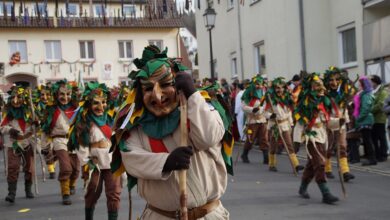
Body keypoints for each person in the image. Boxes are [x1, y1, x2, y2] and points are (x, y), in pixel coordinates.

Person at [115, 45, 229, 219]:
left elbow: (209, 137)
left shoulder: (201, 107)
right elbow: (131, 160)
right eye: (148, 88)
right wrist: (166, 161)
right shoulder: (134, 125)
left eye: (166, 84)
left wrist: (193, 95)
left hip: (209, 215)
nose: (158, 96)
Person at [68, 82, 121, 220]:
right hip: (95, 164)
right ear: (89, 104)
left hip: (111, 163)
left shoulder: (111, 119)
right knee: (93, 192)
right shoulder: (84, 122)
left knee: (114, 193)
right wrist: (88, 161)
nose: (100, 107)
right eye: (96, 103)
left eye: (103, 102)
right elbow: (81, 145)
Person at [294, 73, 339, 204]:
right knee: (319, 164)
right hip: (310, 137)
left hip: (322, 135)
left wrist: (339, 122)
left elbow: (327, 121)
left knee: (311, 165)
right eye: (317, 84)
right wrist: (297, 141)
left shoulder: (323, 102)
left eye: (321, 84)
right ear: (311, 86)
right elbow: (299, 123)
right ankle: (326, 193)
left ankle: (302, 188)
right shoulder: (305, 103)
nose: (321, 87)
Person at [41, 80, 80, 205]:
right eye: (62, 94)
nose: (65, 97)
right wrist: (45, 146)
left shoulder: (76, 109)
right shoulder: (52, 110)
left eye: (68, 94)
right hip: (59, 140)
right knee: (66, 167)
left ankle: (72, 184)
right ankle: (65, 193)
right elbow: (45, 130)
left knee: (76, 169)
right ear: (57, 95)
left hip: (74, 140)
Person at [1, 86, 35, 203]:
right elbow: (2, 127)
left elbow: (38, 125)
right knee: (13, 167)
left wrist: (37, 123)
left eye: (18, 97)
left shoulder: (30, 111)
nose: (16, 100)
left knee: (29, 168)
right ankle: (11, 193)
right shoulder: (8, 113)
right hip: (13, 143)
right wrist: (9, 130)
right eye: (13, 97)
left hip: (28, 142)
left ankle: (28, 189)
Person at [264, 77, 304, 172]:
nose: (280, 90)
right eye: (277, 88)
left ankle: (296, 165)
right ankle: (272, 164)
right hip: (275, 125)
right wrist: (271, 115)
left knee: (289, 144)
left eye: (282, 88)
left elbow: (289, 112)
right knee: (273, 145)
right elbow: (265, 113)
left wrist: (291, 123)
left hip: (285, 125)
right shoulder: (270, 99)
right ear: (274, 89)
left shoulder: (286, 99)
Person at [323, 67, 355, 181]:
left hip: (341, 124)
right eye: (331, 80)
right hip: (330, 124)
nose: (334, 82)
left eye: (337, 80)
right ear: (327, 81)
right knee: (329, 147)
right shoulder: (324, 95)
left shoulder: (344, 93)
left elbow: (349, 106)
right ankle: (327, 169)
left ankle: (345, 171)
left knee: (342, 146)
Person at [240, 75, 270, 164]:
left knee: (264, 138)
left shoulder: (263, 94)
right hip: (252, 120)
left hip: (262, 120)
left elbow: (265, 106)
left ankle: (266, 157)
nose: (259, 86)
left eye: (260, 84)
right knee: (250, 139)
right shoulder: (248, 95)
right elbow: (243, 107)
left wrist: (264, 111)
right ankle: (244, 154)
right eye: (257, 84)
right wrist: (252, 109)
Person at [353, 76, 376, 166]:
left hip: (366, 120)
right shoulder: (366, 94)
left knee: (368, 140)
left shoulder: (366, 95)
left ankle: (372, 159)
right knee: (367, 140)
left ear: (363, 85)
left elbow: (365, 109)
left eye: (360, 85)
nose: (358, 86)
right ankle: (370, 158)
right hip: (366, 120)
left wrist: (358, 119)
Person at [36, 85, 57, 179]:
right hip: (43, 131)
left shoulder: (55, 105)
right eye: (42, 95)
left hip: (55, 131)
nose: (44, 97)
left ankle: (52, 164)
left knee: (57, 151)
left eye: (47, 94)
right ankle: (51, 169)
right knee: (47, 151)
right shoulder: (36, 106)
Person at [370, 75, 389, 162]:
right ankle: (377, 155)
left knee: (381, 137)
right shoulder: (374, 91)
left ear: (375, 82)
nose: (370, 83)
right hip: (373, 118)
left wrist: (370, 110)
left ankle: (383, 155)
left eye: (371, 81)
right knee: (374, 137)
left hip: (380, 118)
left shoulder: (383, 92)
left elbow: (381, 104)